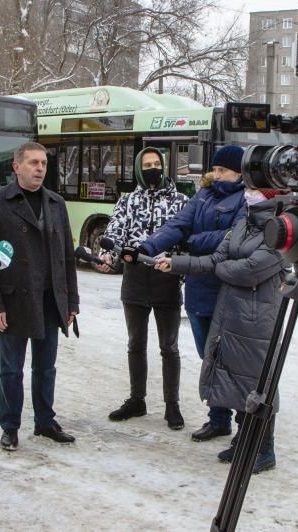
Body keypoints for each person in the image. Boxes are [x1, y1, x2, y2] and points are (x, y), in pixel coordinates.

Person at [155, 187, 286, 473]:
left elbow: (250, 269)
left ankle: (265, 449)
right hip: (231, 314)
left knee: (257, 381)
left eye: (255, 189)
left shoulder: (282, 228)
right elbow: (217, 260)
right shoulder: (244, 225)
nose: (248, 194)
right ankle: (243, 439)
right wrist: (177, 263)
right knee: (236, 379)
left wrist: (224, 268)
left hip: (258, 319)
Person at [139, 145, 247, 442]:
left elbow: (235, 237)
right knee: (208, 357)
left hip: (227, 289)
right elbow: (178, 224)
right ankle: (219, 417)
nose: (217, 174)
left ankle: (242, 422)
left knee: (231, 360)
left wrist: (194, 240)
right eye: (216, 169)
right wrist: (150, 245)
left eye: (224, 170)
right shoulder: (204, 195)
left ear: (239, 172)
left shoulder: (246, 199)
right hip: (198, 289)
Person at [0, 141, 80, 450]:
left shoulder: (56, 203)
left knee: (46, 367)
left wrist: (71, 302)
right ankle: (10, 426)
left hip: (51, 300)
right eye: (34, 163)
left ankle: (45, 422)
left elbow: (67, 256)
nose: (40, 169)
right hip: (13, 300)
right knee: (11, 368)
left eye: (43, 164)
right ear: (17, 166)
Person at [98, 147, 189, 429]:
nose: (152, 168)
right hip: (135, 279)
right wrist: (108, 256)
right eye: (147, 164)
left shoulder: (181, 200)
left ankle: (172, 406)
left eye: (156, 163)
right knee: (135, 343)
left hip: (166, 278)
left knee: (169, 346)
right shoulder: (128, 201)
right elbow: (114, 232)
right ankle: (137, 399)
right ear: (138, 168)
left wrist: (181, 267)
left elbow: (188, 238)